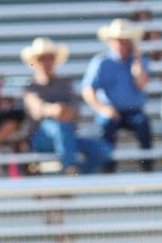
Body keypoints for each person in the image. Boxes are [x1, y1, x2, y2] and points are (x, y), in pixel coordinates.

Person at [20, 36, 113, 174]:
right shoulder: (31, 88)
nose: (46, 62)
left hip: (67, 137)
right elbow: (38, 109)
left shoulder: (65, 84)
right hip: (41, 139)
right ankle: (70, 168)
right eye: (42, 58)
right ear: (36, 62)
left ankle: (73, 173)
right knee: (60, 126)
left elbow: (74, 108)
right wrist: (56, 110)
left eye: (49, 58)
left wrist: (60, 111)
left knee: (103, 150)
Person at [82, 18, 154, 171]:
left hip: (134, 111)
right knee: (106, 127)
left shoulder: (139, 61)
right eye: (119, 40)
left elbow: (141, 83)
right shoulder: (101, 62)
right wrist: (102, 108)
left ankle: (147, 169)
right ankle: (108, 170)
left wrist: (137, 58)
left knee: (144, 126)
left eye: (125, 40)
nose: (122, 44)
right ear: (111, 41)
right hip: (110, 110)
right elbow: (88, 90)